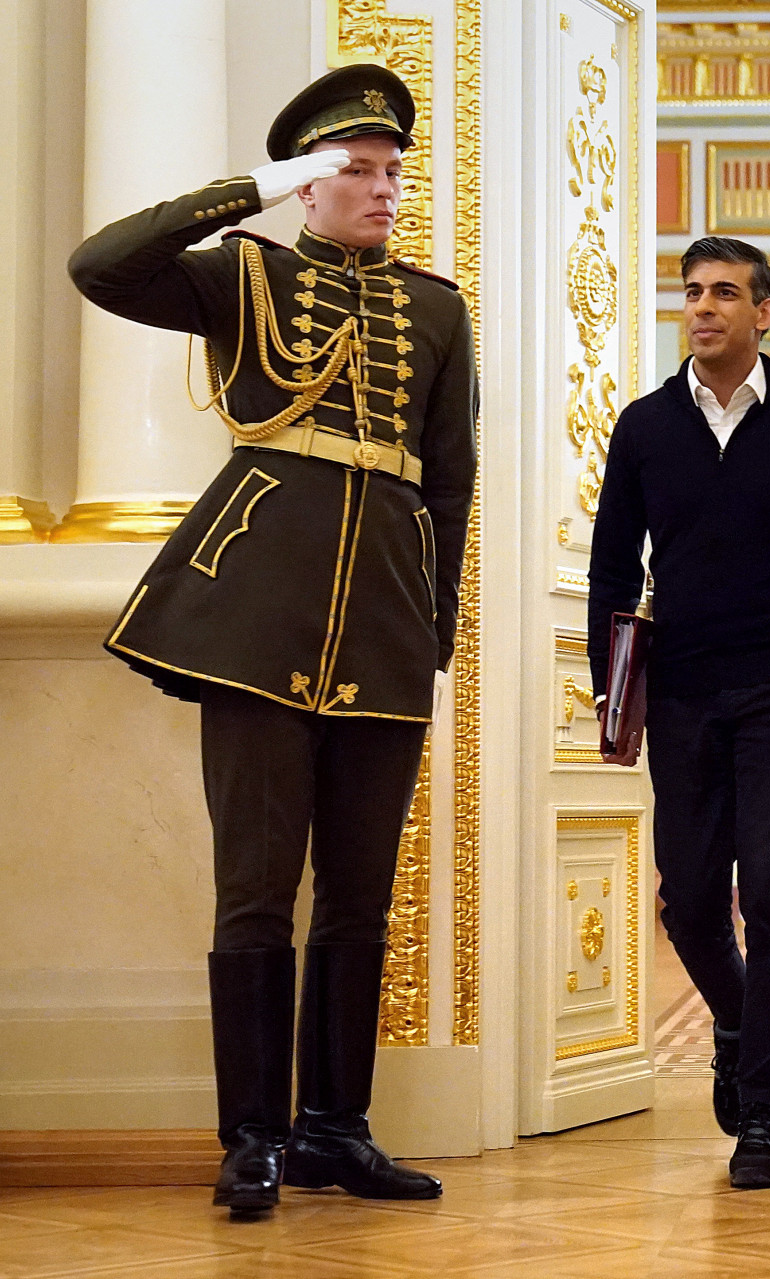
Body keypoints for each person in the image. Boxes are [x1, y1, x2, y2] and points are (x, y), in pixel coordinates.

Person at [69, 65, 476, 1215]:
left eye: (394, 171)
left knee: (359, 899)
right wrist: (253, 187)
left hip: (388, 630)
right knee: (255, 892)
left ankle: (334, 1131)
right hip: (251, 623)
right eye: (358, 170)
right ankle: (249, 1136)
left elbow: (449, 482)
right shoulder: (245, 273)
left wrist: (430, 631)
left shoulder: (438, 308)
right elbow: (102, 265)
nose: (386, 188)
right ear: (308, 186)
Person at [588, 237, 770, 1189]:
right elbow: (614, 567)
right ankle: (735, 1020)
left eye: (725, 292)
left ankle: (768, 1115)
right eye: (692, 292)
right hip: (684, 694)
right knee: (691, 900)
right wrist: (615, 697)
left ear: (764, 312)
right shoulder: (645, 426)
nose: (702, 307)